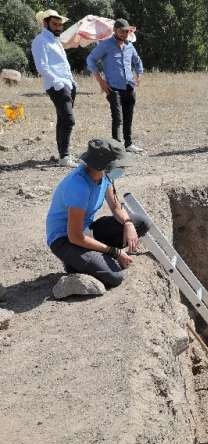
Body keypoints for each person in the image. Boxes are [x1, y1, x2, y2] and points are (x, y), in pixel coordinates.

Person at [45, 139, 151, 288]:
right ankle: (74, 262)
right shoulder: (78, 186)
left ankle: (91, 257)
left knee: (141, 223)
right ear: (105, 166)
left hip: (87, 231)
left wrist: (128, 224)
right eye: (118, 165)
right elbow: (75, 236)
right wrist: (115, 252)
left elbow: (115, 207)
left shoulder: (104, 176)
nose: (122, 169)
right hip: (65, 239)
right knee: (114, 276)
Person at [86, 19, 145, 154]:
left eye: (126, 31)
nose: (124, 34)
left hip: (129, 87)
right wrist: (100, 81)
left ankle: (128, 144)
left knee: (128, 116)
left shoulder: (130, 46)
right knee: (117, 117)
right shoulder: (106, 45)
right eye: (122, 31)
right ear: (115, 30)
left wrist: (139, 75)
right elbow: (90, 59)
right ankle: (116, 147)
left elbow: (137, 61)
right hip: (113, 88)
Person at [31, 9, 79, 167]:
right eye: (55, 24)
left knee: (62, 119)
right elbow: (41, 66)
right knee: (69, 120)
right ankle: (64, 156)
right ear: (45, 23)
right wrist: (58, 82)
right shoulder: (40, 40)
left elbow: (63, 64)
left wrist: (72, 81)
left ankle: (63, 155)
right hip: (56, 85)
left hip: (68, 84)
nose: (58, 27)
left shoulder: (56, 40)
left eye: (60, 25)